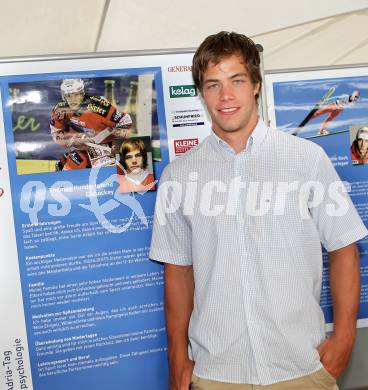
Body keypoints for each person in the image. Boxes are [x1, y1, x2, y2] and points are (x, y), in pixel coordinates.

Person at [149, 31, 368, 390]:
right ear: (201, 93)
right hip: (216, 373)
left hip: (301, 368)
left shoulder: (306, 160)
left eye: (236, 80)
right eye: (212, 85)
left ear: (255, 84)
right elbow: (177, 271)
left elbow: (345, 249)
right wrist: (177, 356)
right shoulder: (180, 176)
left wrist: (344, 339)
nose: (226, 96)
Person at [50, 78, 132, 170]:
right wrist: (70, 139)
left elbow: (126, 120)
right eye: (69, 96)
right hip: (87, 145)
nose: (72, 99)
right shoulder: (61, 110)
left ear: (82, 93)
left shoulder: (99, 107)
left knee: (103, 170)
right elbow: (56, 130)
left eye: (76, 94)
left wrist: (117, 144)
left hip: (107, 145)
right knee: (64, 166)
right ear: (64, 97)